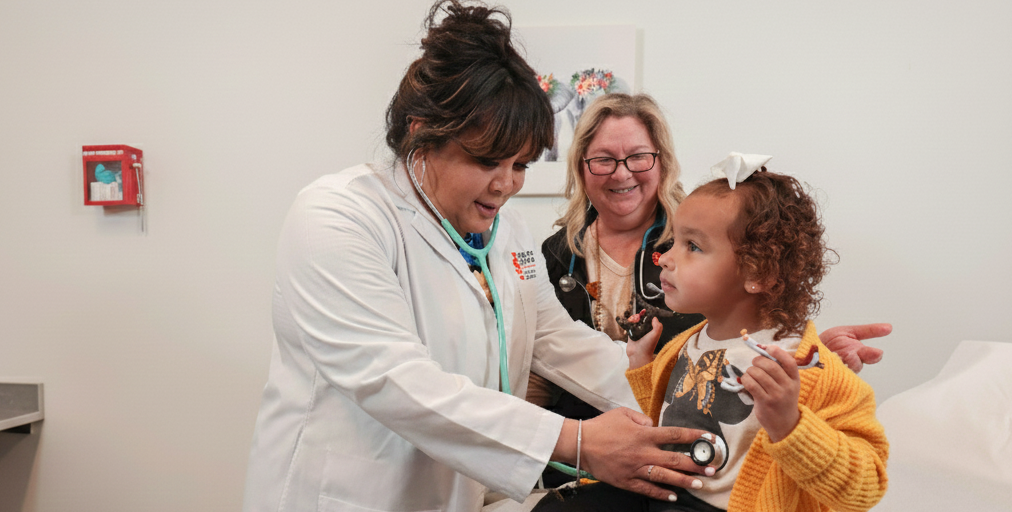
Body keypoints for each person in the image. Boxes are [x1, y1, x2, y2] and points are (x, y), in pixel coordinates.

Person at [242, 3, 716, 511]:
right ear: (421, 133)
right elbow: (394, 380)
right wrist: (577, 442)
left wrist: (693, 398)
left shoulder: (505, 231)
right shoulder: (338, 217)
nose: (506, 184)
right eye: (488, 160)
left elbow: (556, 339)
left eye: (521, 164)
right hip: (346, 496)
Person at [530, 93, 889, 487]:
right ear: (580, 167)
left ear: (662, 162)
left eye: (638, 157)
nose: (622, 173)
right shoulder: (554, 254)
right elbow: (546, 361)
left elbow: (754, 331)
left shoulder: (718, 230)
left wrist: (812, 359)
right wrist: (534, 442)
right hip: (583, 457)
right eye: (603, 159)